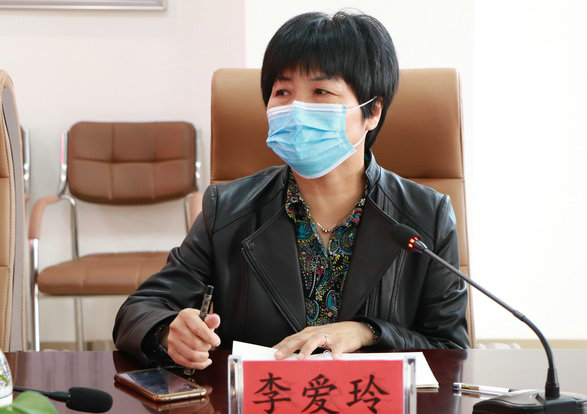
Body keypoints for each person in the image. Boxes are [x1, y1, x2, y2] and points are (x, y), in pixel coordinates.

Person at [113, 10, 469, 369]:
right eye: (282, 92)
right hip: (261, 398)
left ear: (372, 111)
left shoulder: (426, 216)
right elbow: (140, 310)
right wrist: (168, 331)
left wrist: (369, 332)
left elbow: (450, 347)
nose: (297, 109)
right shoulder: (227, 208)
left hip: (375, 400)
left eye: (320, 91)